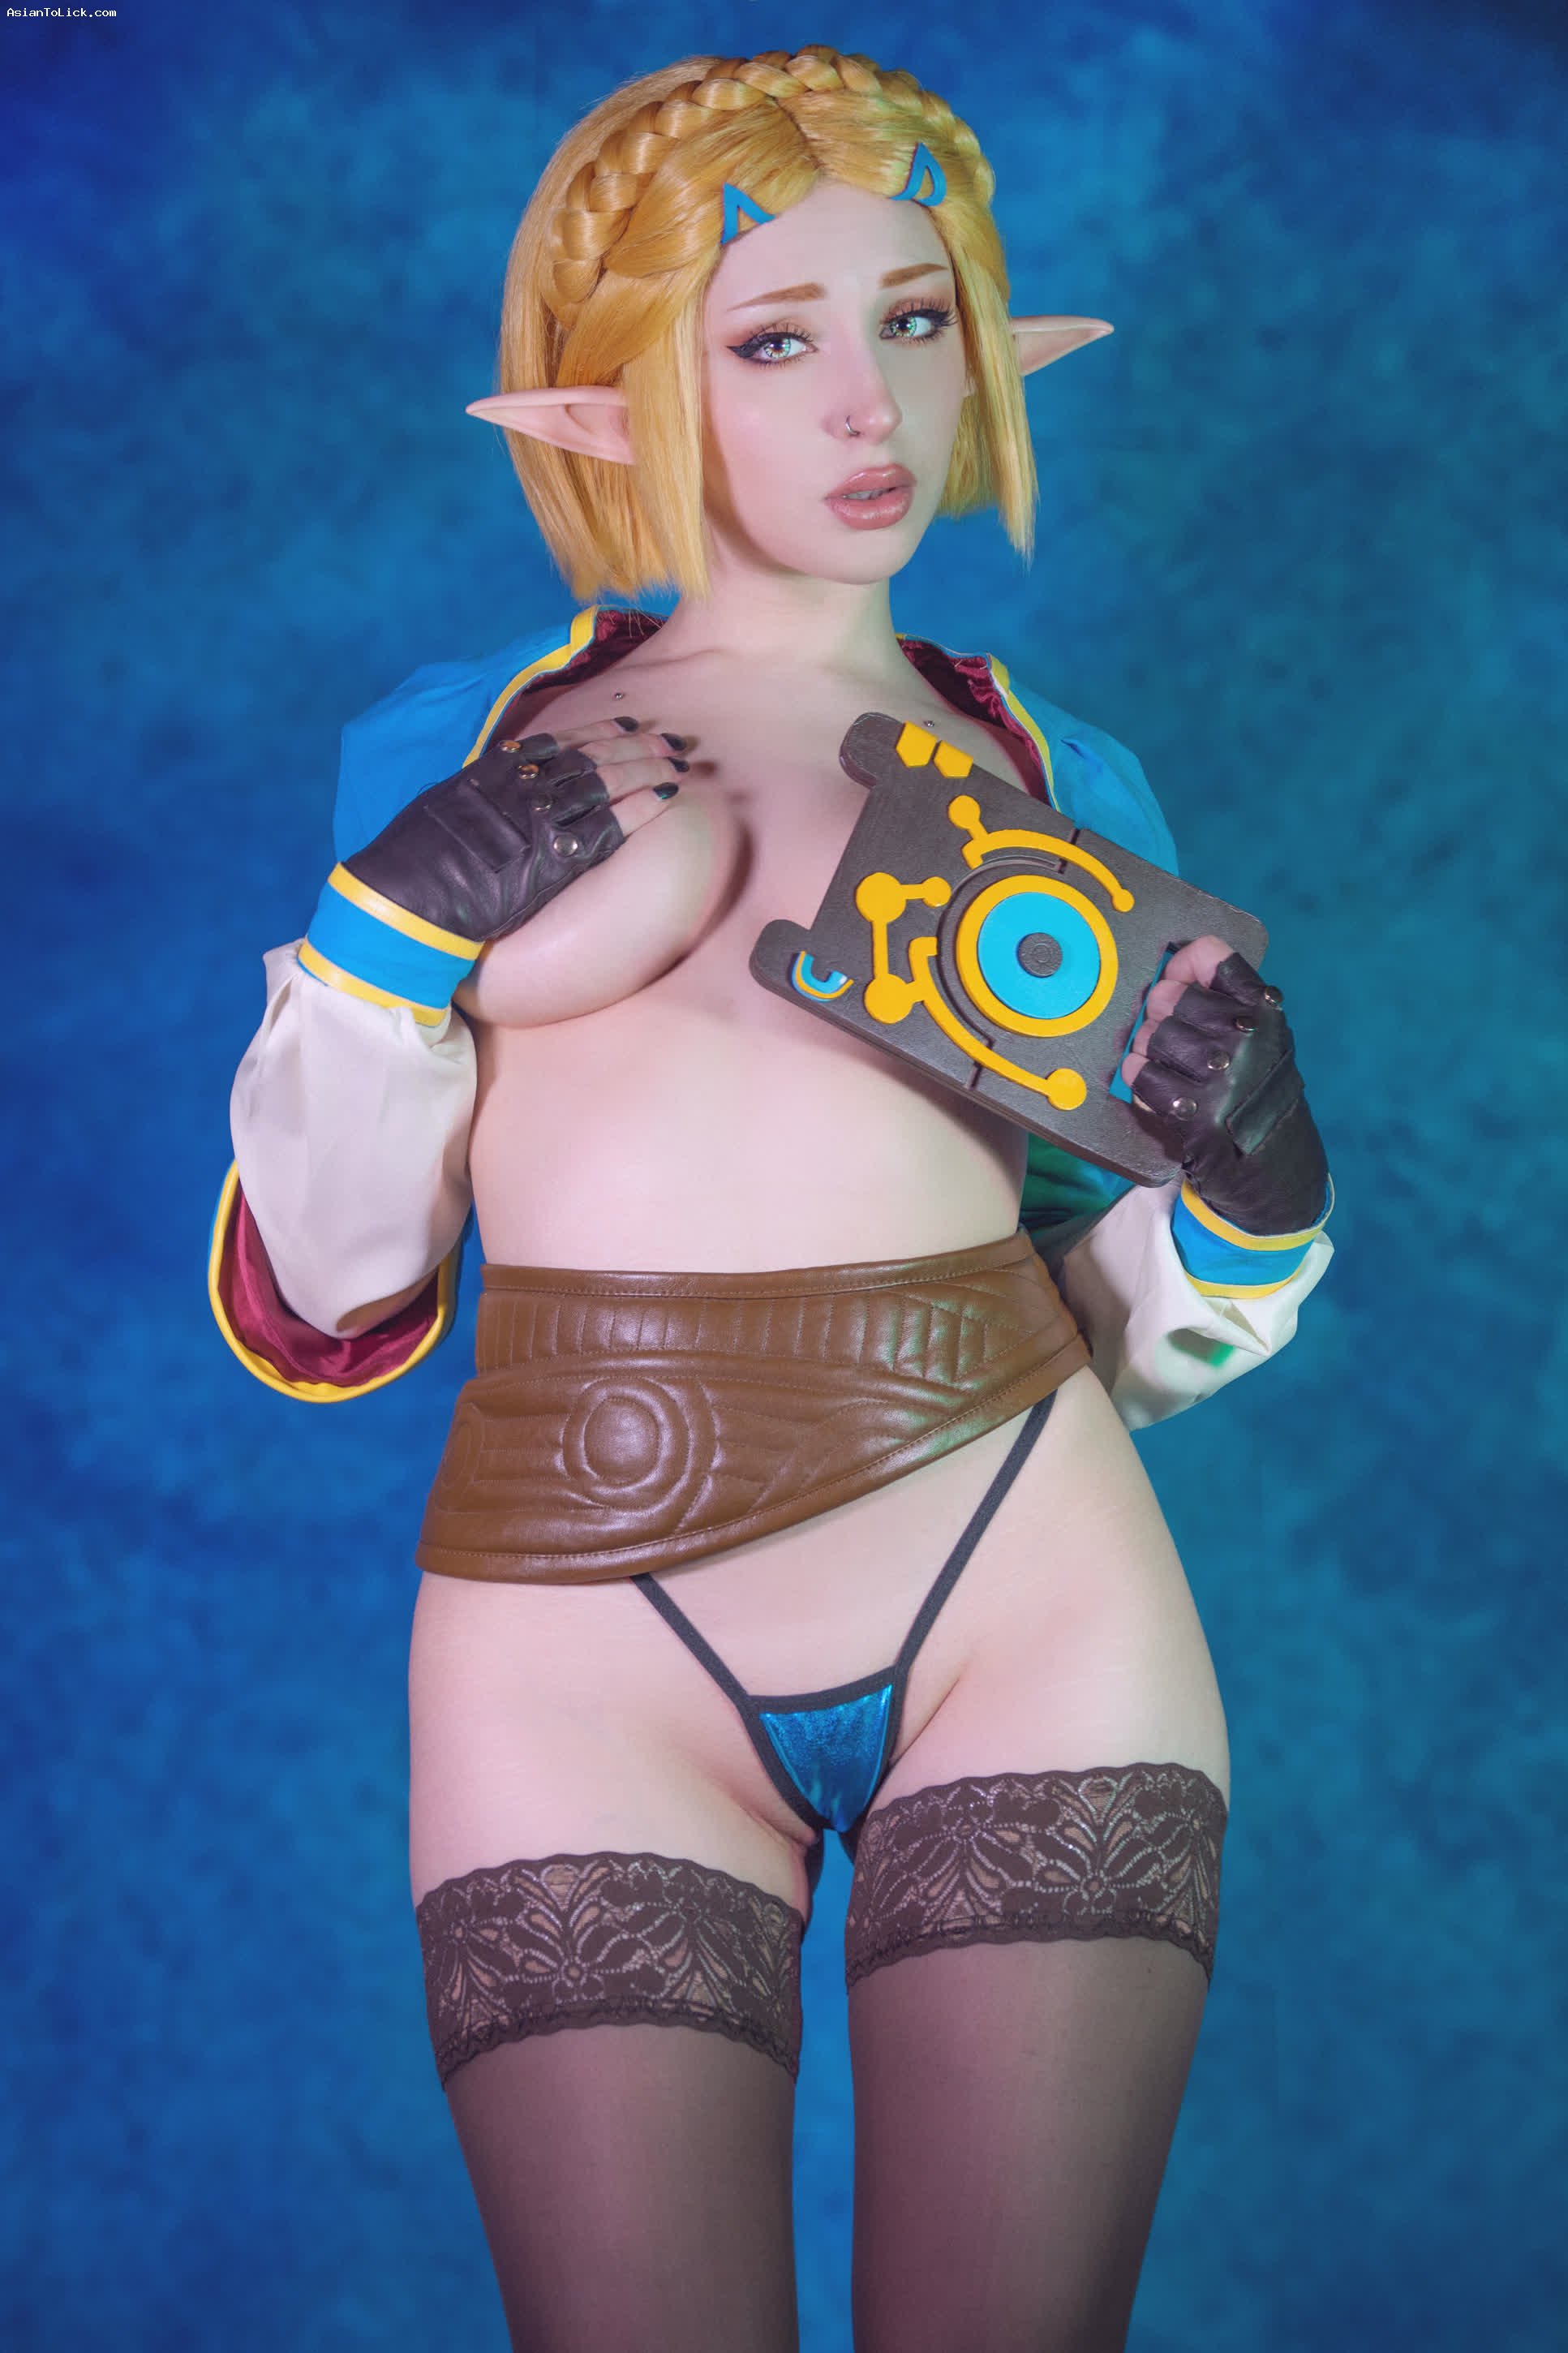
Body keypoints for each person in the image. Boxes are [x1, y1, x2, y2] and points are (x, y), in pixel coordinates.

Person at [210, 47, 1331, 2353]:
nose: (868, 403)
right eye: (774, 336)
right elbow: (335, 1273)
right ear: (614, 395)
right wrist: (378, 953)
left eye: (916, 320)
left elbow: (1117, 1308)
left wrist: (1248, 1210)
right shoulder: (460, 744)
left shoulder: (1055, 778)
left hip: (1023, 1571)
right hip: (577, 1639)